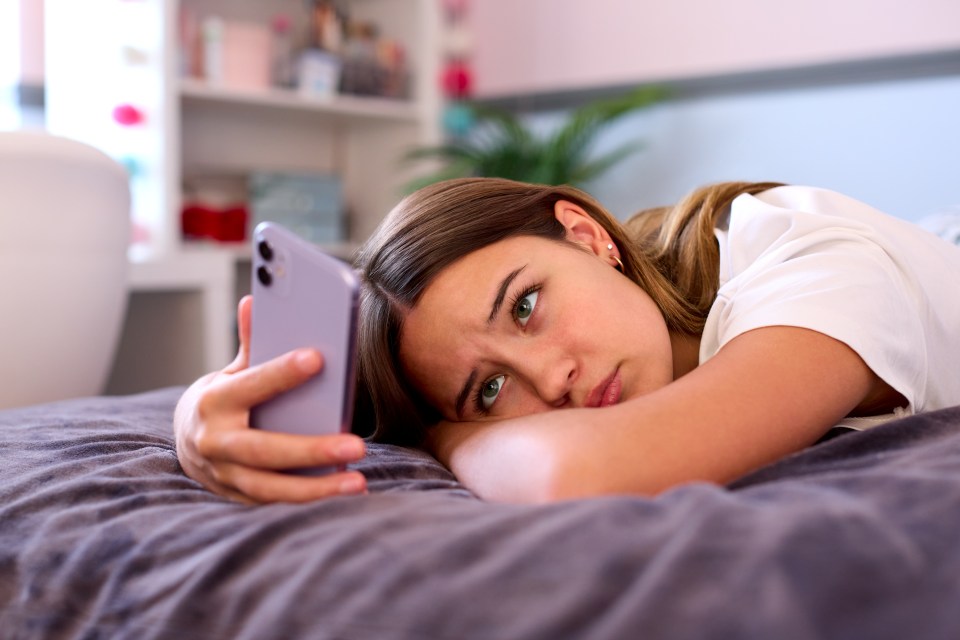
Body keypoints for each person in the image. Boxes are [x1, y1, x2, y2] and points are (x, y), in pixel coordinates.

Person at [174, 178, 960, 504]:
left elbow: (577, 471)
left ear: (586, 235)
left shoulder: (815, 266)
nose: (551, 381)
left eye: (525, 307)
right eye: (488, 390)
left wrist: (450, 430)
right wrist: (191, 423)